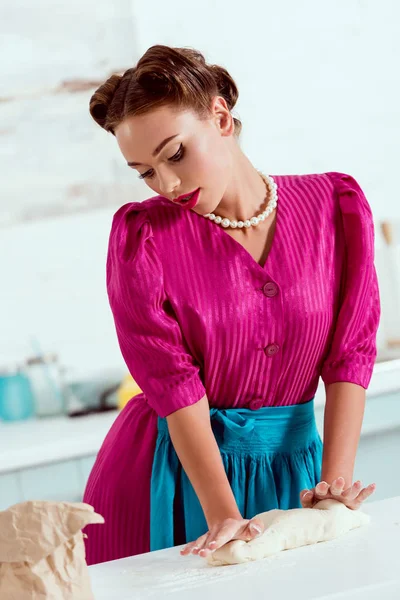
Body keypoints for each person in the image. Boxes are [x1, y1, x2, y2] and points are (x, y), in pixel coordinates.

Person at [83, 45, 380, 566]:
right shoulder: (143, 238)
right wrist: (223, 512)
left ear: (221, 117)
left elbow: (350, 352)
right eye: (145, 172)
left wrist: (333, 487)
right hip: (174, 478)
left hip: (296, 467)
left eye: (175, 154)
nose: (167, 185)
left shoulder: (335, 207)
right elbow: (174, 386)